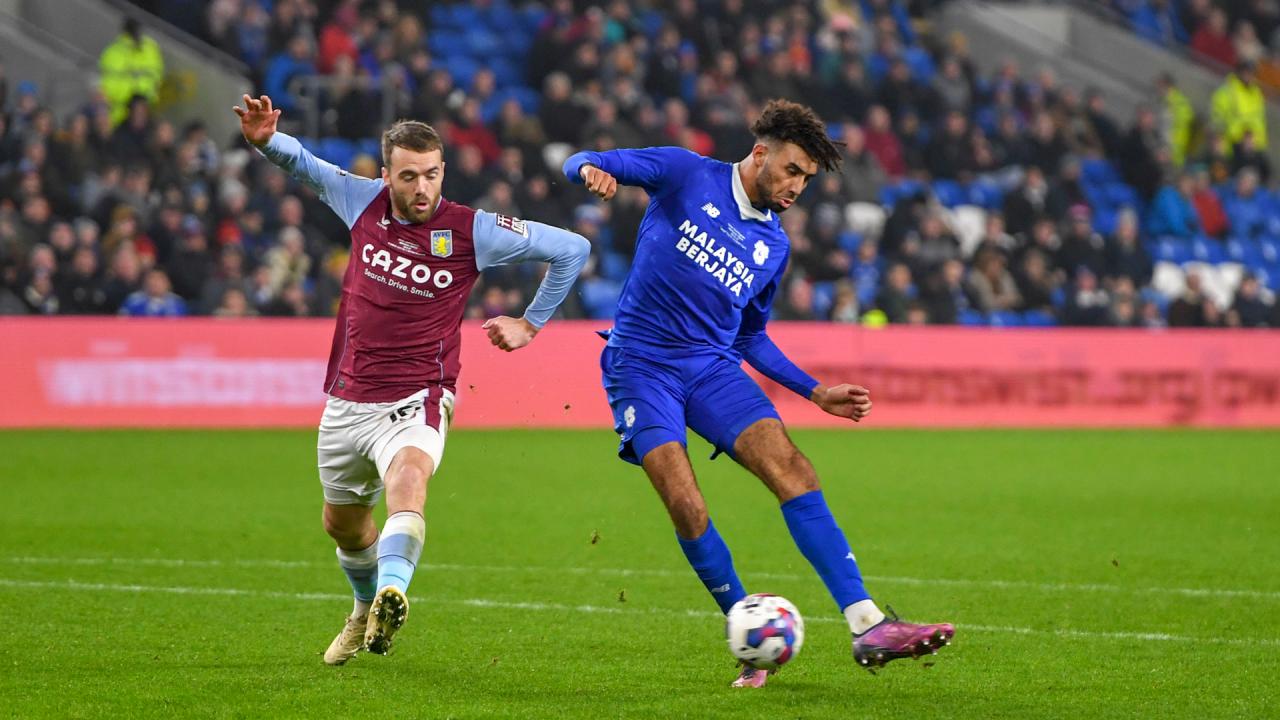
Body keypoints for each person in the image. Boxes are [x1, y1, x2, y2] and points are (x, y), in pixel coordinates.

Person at [562, 99, 954, 689]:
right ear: (762, 153)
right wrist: (591, 171)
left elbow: (750, 336)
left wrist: (814, 391)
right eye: (793, 171)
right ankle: (747, 632)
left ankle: (867, 623)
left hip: (712, 369)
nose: (798, 186)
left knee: (794, 469)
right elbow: (582, 158)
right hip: (640, 367)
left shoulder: (772, 247)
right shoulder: (685, 173)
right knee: (687, 504)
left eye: (807, 180)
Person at [233, 94, 590, 665]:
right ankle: (364, 607)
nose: (421, 188)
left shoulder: (473, 230)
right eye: (408, 177)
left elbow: (572, 248)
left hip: (419, 394)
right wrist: (264, 139)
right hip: (348, 396)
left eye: (430, 175)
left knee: (409, 478)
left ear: (443, 170)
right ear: (386, 175)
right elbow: (304, 164)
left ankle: (394, 588)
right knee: (343, 526)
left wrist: (530, 323)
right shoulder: (362, 200)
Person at [99, 18, 165, 126]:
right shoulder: (113, 53)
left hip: (144, 114)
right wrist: (133, 99)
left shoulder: (151, 49)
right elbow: (107, 88)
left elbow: (157, 77)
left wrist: (142, 100)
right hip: (119, 116)